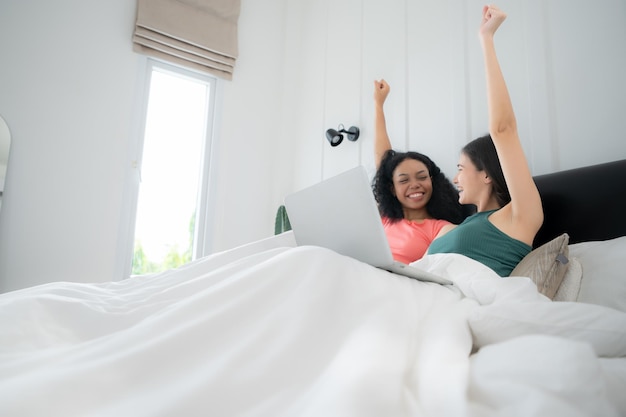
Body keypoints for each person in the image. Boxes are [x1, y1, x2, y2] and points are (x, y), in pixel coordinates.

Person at [427, 4, 544, 276]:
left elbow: (503, 130)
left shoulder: (520, 217)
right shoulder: (460, 225)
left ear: (487, 174)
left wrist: (486, 39)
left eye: (460, 168)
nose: (454, 179)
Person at [373, 79, 467, 264]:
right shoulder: (383, 220)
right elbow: (382, 161)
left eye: (422, 177)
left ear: (432, 181)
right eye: (403, 180)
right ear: (391, 188)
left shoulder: (441, 228)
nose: (414, 184)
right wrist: (378, 104)